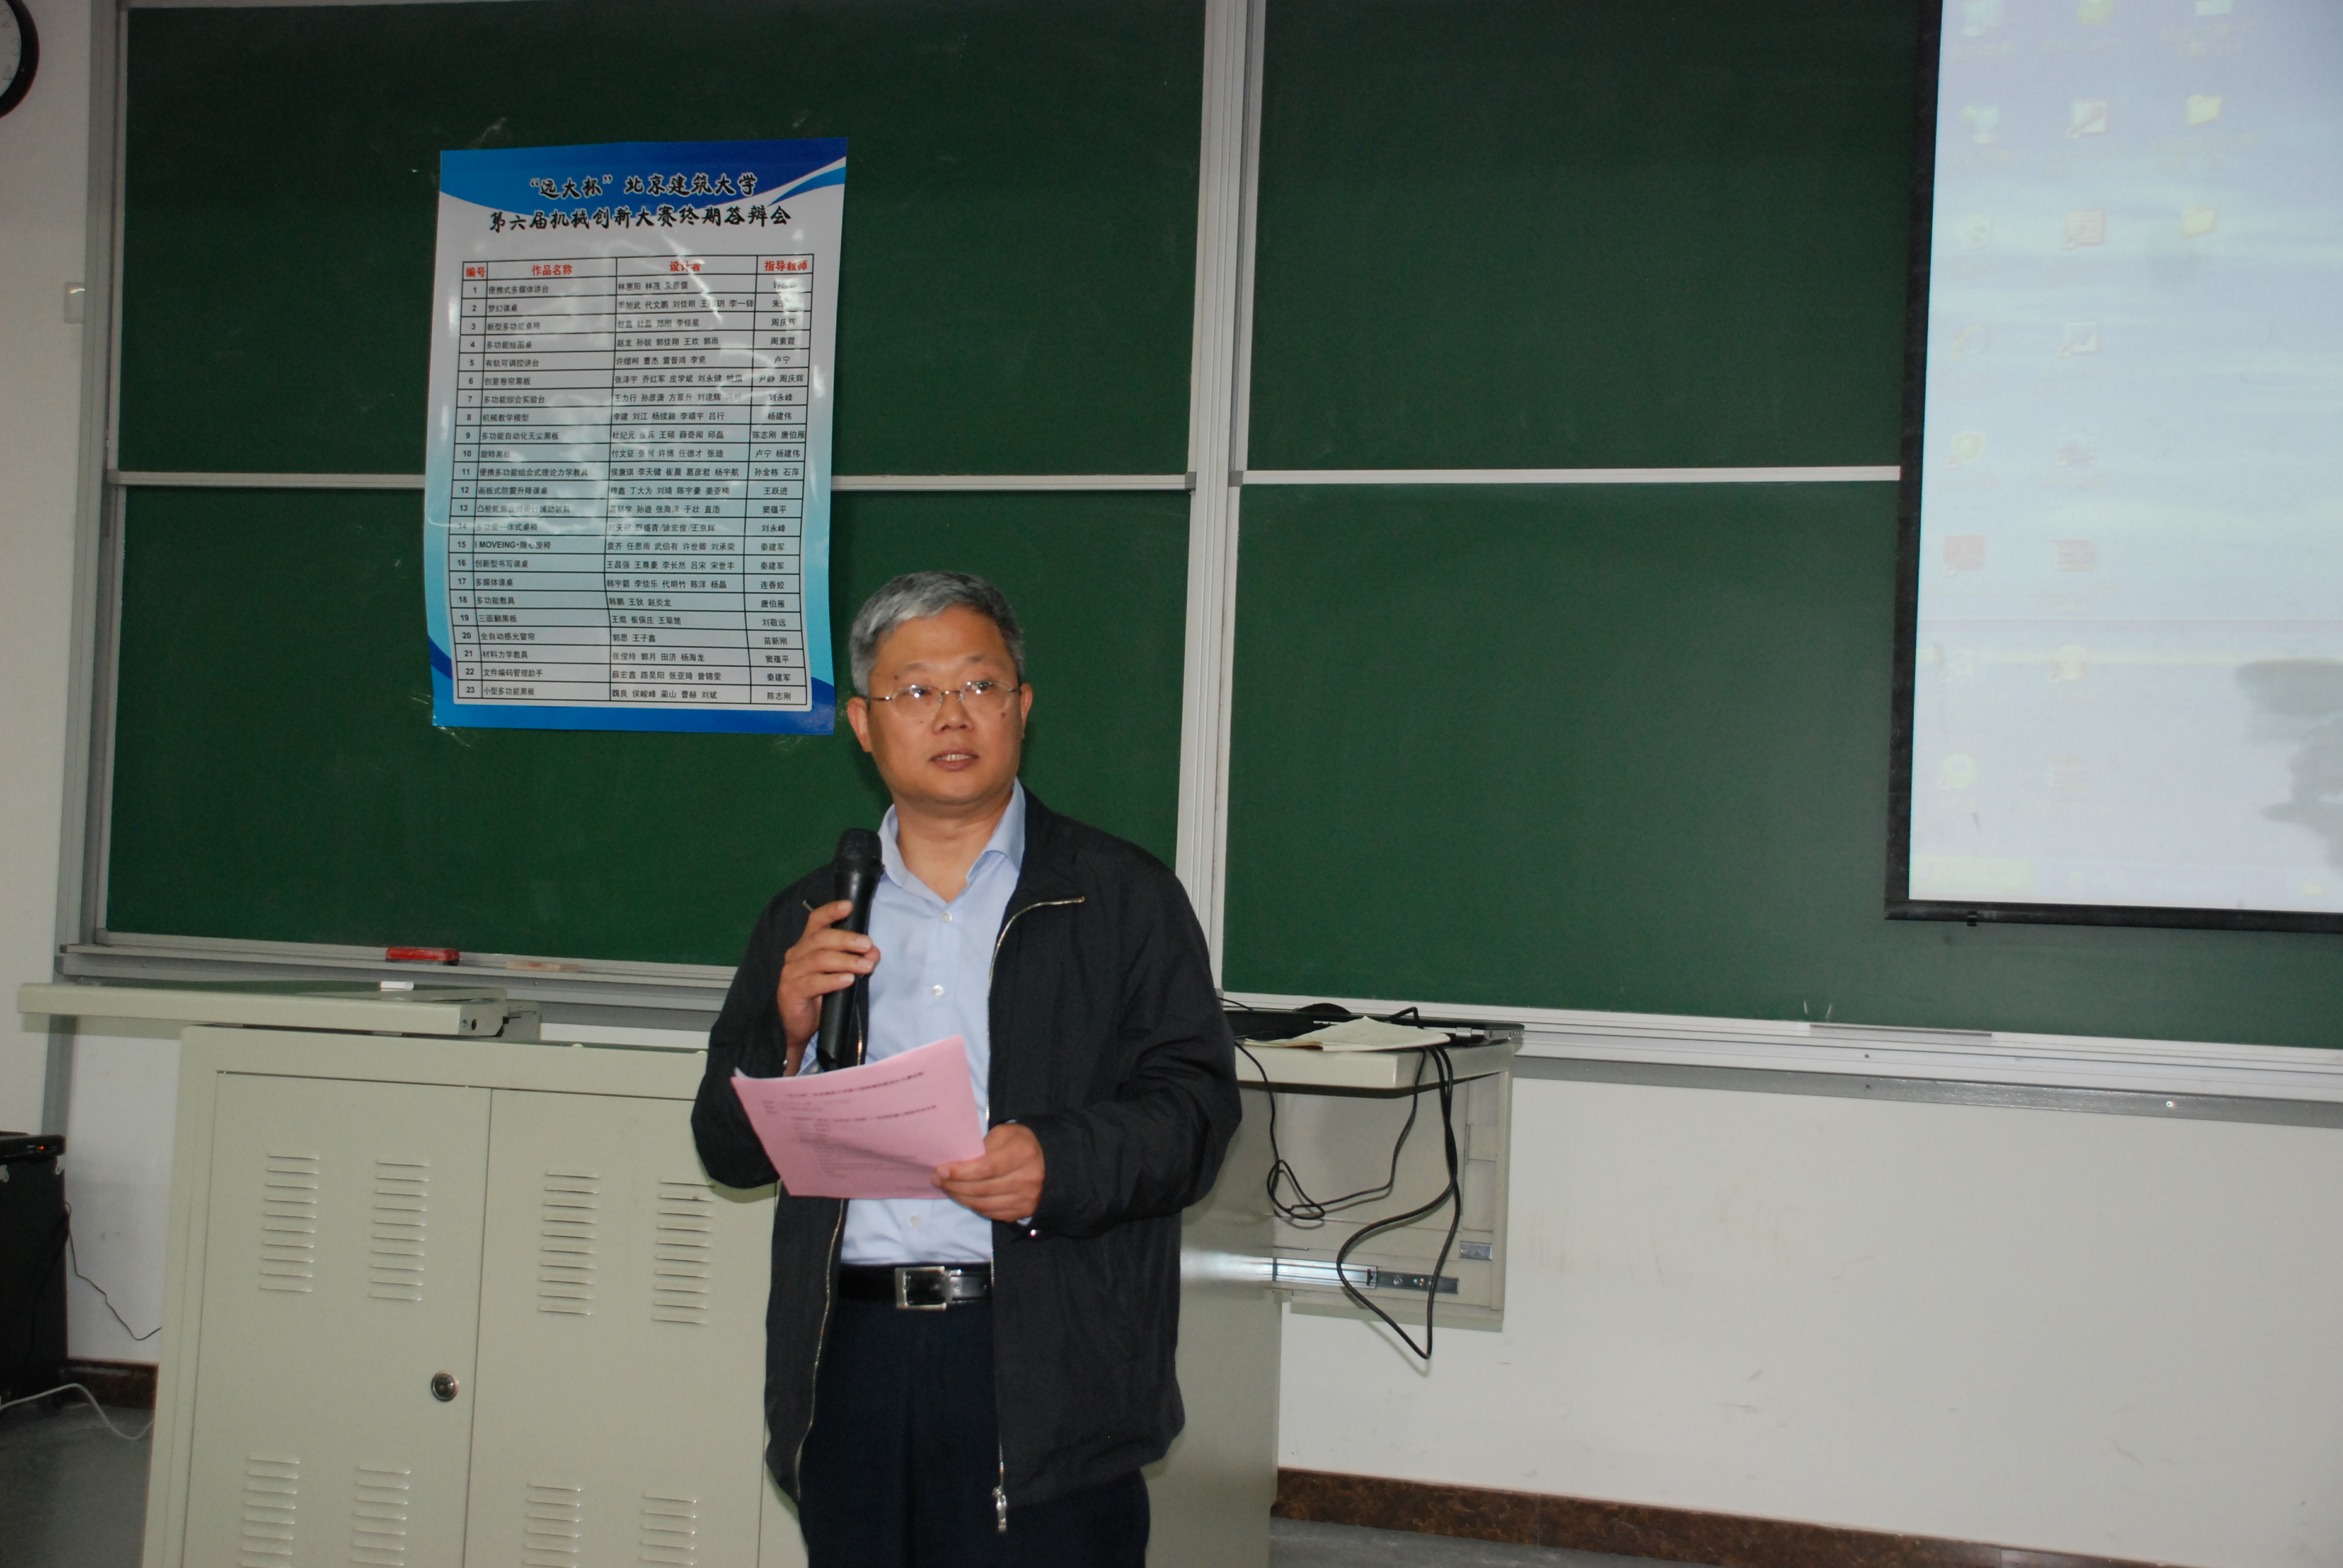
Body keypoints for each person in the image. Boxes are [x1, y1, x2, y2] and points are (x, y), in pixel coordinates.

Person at [692, 570, 1241, 1567]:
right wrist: (783, 1034)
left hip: (1048, 1357)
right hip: (851, 1358)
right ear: (865, 725)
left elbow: (1196, 1114)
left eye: (980, 686)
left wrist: (1060, 1162)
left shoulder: (1121, 898)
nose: (952, 715)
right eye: (915, 691)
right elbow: (725, 1150)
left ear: (1022, 708)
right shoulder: (811, 913)